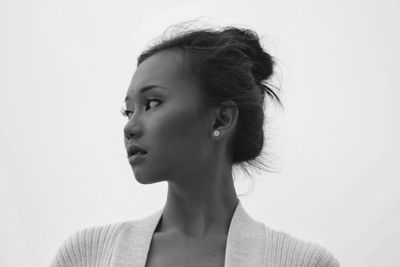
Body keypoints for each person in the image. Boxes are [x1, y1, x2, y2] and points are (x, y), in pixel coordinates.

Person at [50, 22, 340, 267]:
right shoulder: (86, 256)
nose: (130, 126)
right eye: (129, 111)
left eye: (151, 104)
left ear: (221, 120)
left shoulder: (303, 262)